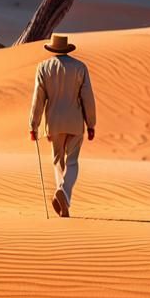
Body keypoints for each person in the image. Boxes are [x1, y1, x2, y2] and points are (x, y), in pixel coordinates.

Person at [28, 33, 96, 218]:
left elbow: (38, 98)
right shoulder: (80, 67)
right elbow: (87, 97)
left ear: (52, 49)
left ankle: (62, 193)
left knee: (58, 160)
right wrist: (91, 124)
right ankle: (64, 193)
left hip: (54, 122)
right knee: (72, 161)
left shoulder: (43, 67)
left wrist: (33, 125)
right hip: (75, 121)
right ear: (67, 48)